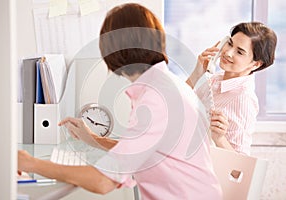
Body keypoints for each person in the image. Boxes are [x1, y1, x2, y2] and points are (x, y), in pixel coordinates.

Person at [18, 3, 222, 199]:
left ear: (110, 52)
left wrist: (30, 163)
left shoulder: (157, 99)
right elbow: (141, 150)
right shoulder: (164, 86)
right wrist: (93, 139)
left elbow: (102, 182)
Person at [186, 22, 277, 155]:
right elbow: (178, 105)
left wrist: (219, 138)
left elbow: (238, 171)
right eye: (229, 43)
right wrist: (196, 73)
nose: (228, 53)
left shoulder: (244, 99)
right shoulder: (215, 79)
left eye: (239, 52)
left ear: (255, 64)